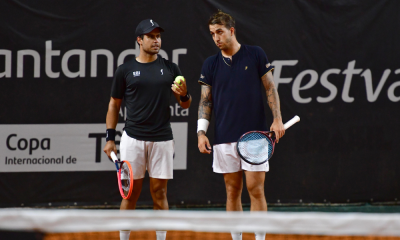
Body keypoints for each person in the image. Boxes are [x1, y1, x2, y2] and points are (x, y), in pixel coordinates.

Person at [197, 10, 285, 240]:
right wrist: (201, 132)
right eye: (212, 34)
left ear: (231, 31)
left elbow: (270, 88)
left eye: (220, 32)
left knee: (256, 190)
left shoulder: (255, 54)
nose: (216, 38)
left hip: (255, 137)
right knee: (231, 191)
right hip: (224, 137)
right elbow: (206, 100)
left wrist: (277, 119)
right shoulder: (210, 64)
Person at [103, 19, 191, 240]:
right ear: (139, 40)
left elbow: (186, 104)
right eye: (150, 36)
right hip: (133, 140)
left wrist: (185, 94)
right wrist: (109, 138)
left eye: (158, 36)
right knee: (130, 194)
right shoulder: (125, 70)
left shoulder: (171, 68)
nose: (156, 40)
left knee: (159, 193)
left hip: (162, 140)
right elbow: (114, 104)